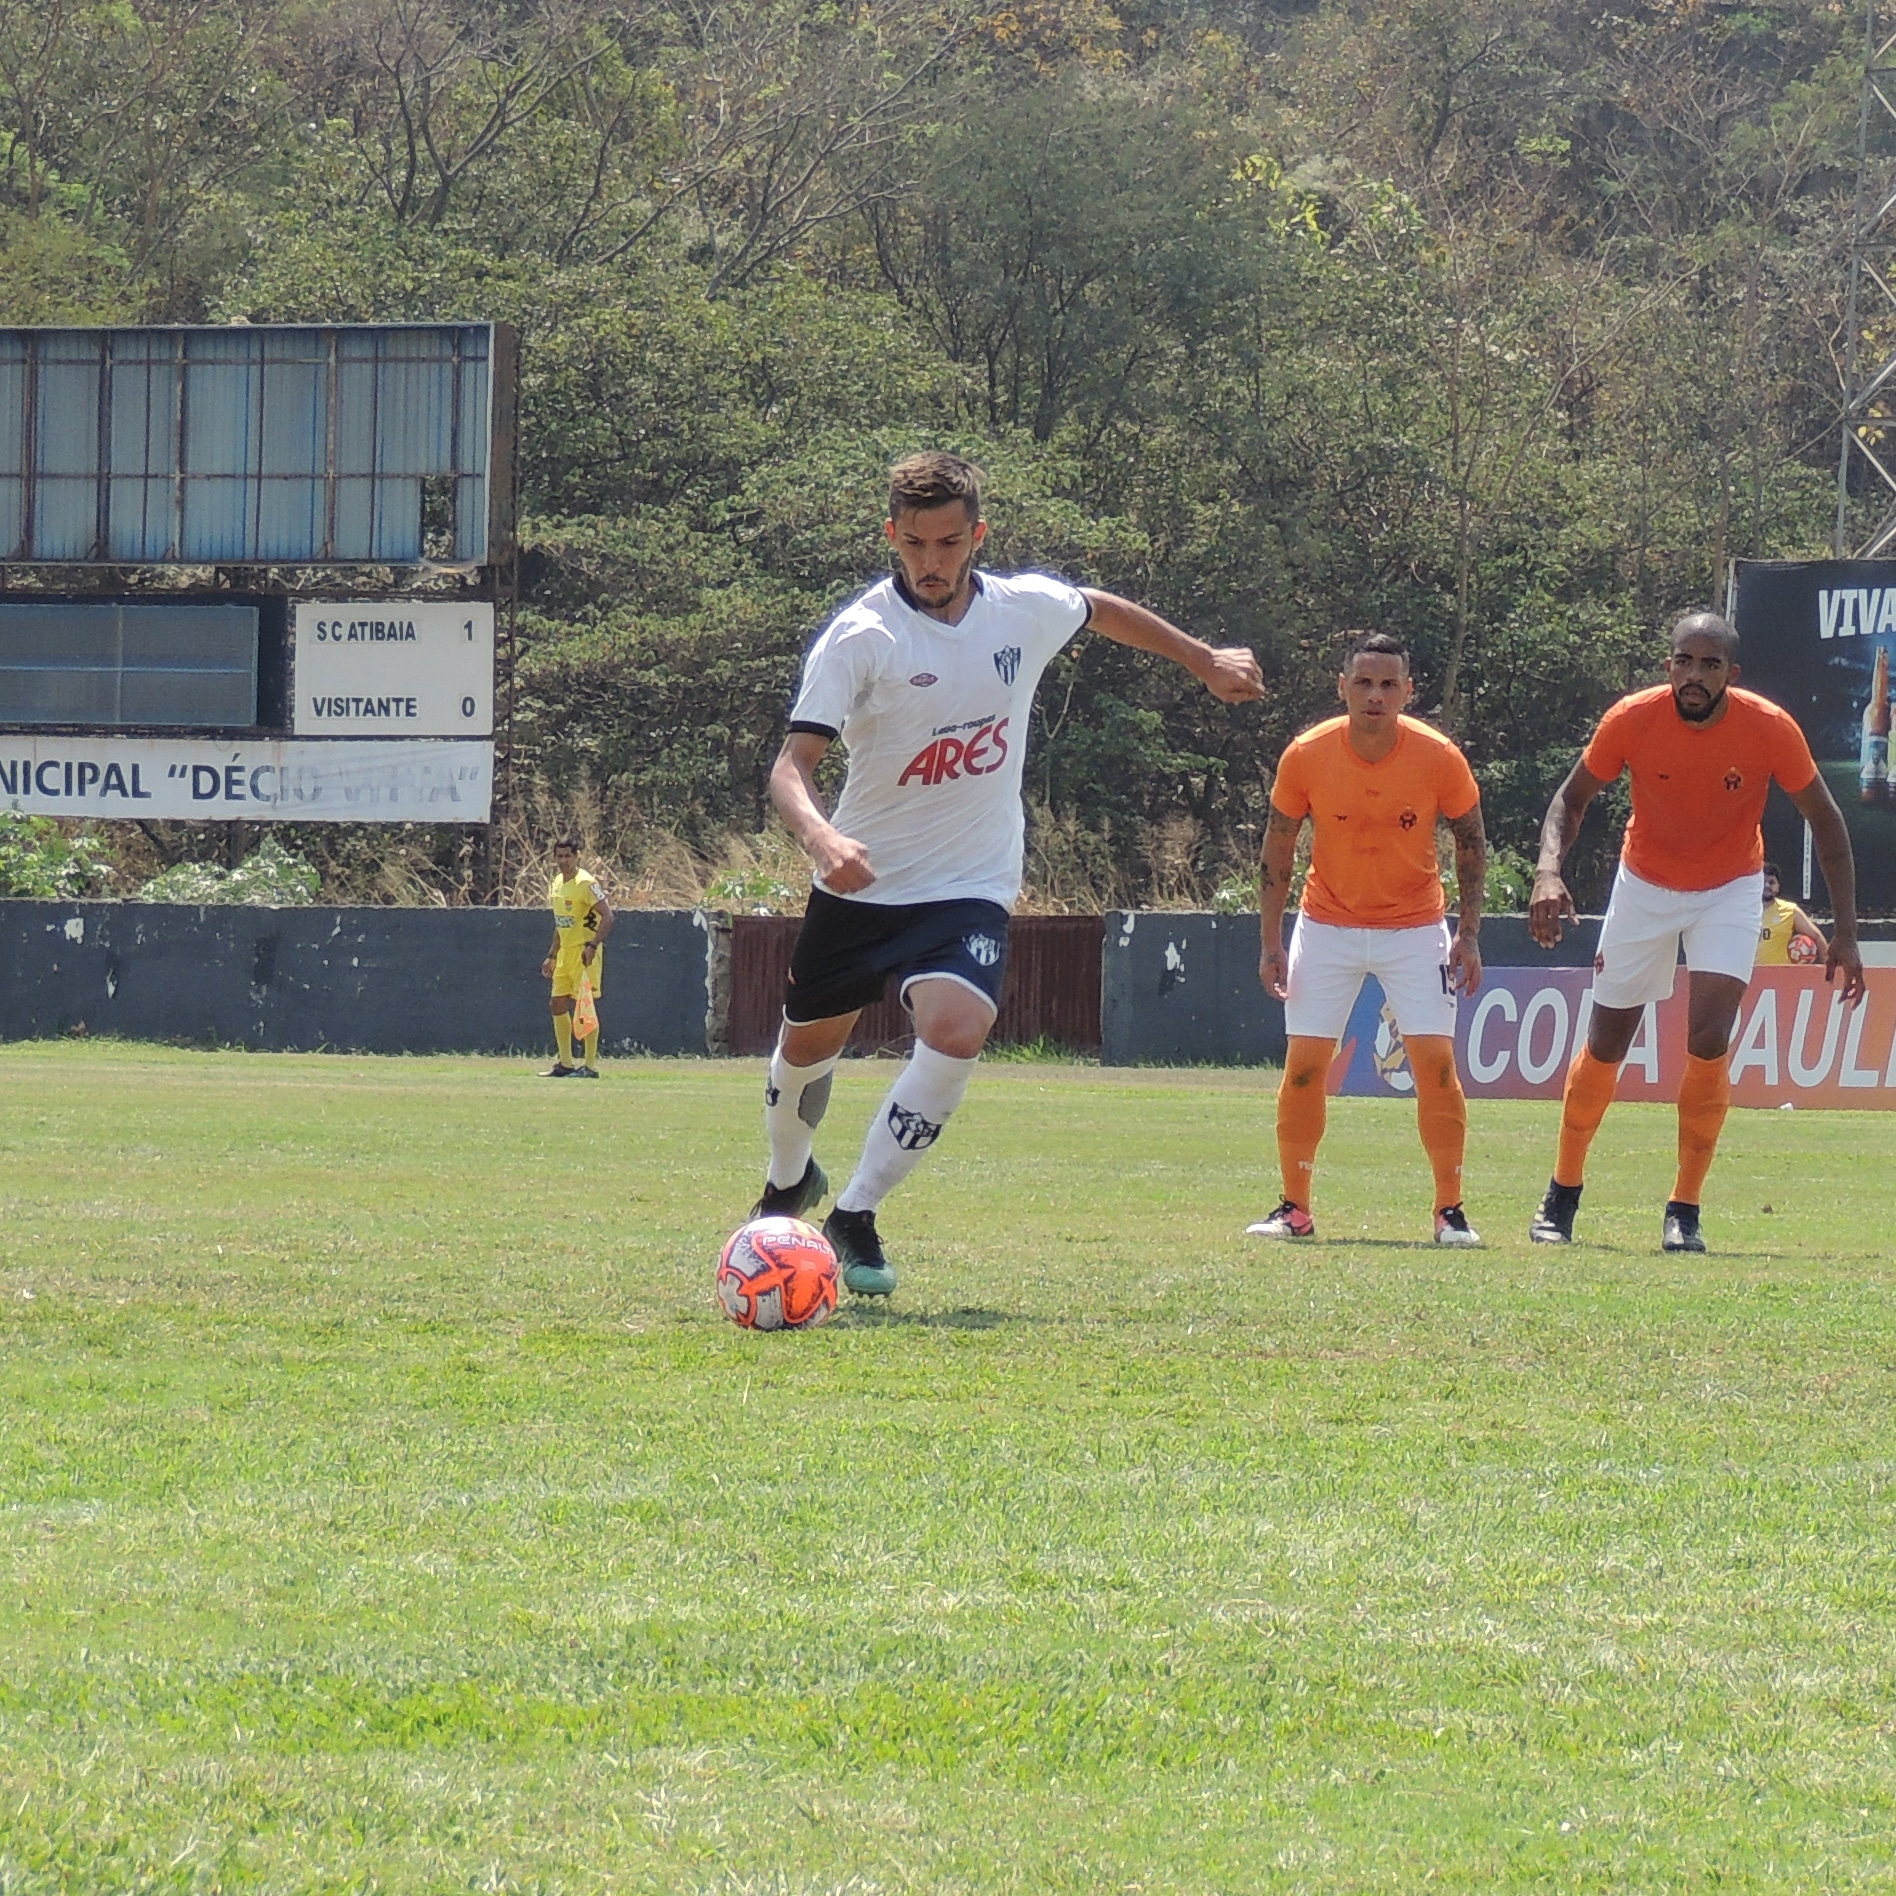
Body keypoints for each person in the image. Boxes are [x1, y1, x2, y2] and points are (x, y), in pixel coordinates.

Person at [752, 450, 1264, 1295]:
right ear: (892, 536)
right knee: (805, 1051)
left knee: (956, 1031)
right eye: (914, 543)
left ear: (977, 537)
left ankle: (854, 1214)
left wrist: (1203, 659)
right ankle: (786, 1180)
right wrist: (820, 840)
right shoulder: (862, 636)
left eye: (949, 543)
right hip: (862, 883)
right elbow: (789, 766)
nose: (931, 561)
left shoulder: (1021, 610)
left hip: (969, 884)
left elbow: (1099, 609)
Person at [1527, 610, 1864, 1252]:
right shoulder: (1631, 718)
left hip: (1729, 888)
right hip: (1644, 884)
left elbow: (1828, 823)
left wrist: (1844, 933)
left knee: (1709, 1038)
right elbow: (1570, 800)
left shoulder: (1769, 728)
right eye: (1685, 660)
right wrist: (1548, 871)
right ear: (1669, 666)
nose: (1695, 675)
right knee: (1606, 1044)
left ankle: (1684, 1208)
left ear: (1731, 676)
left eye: (1711, 665)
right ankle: (1562, 1192)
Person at [1249, 631, 1489, 1245]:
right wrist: (1271, 941)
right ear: (1342, 688)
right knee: (1304, 1068)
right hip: (1325, 925)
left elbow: (1470, 843)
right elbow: (1278, 848)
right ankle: (1294, 1209)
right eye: (1364, 683)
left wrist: (1468, 933)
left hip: (1414, 929)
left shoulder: (1439, 756)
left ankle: (1449, 1211)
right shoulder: (1306, 754)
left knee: (1435, 1068)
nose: (1375, 695)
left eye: (1388, 684)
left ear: (1408, 692)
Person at [542, 837, 613, 1077]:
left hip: (584, 952)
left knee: (585, 1007)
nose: (563, 861)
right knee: (557, 1003)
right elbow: (561, 922)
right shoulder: (557, 883)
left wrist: (593, 945)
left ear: (577, 856)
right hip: (565, 954)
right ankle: (565, 1063)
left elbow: (608, 916)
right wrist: (552, 954)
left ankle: (590, 1066)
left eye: (568, 856)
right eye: (559, 856)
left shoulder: (586, 883)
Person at [1756, 861, 1827, 965]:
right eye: (1763, 881)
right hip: (1749, 976)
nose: (1767, 885)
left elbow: (1817, 937)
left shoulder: (1790, 910)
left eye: (1771, 882)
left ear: (1778, 887)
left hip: (1781, 976)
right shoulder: (1744, 911)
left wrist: (1827, 971)